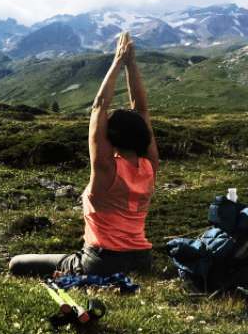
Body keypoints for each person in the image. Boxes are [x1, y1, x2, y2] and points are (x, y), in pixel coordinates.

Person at [9, 31, 159, 278]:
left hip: (102, 262)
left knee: (16, 263)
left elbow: (99, 105)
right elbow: (141, 110)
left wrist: (118, 61)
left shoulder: (106, 169)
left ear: (111, 136)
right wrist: (132, 65)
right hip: (142, 260)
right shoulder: (149, 167)